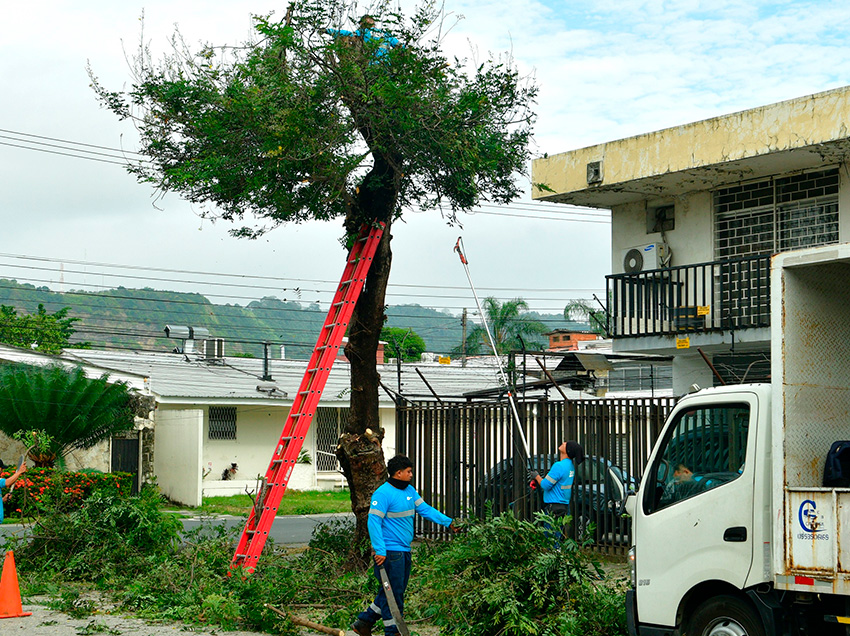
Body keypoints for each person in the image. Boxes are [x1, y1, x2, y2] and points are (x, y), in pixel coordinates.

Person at [352, 454, 457, 636]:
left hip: (404, 551)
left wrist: (449, 522)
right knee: (394, 594)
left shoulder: (409, 491)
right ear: (398, 473)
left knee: (390, 592)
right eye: (408, 472)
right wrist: (380, 550)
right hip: (390, 553)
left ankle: (364, 621)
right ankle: (393, 631)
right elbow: (373, 521)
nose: (411, 475)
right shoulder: (383, 493)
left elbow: (425, 510)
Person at [530, 440, 585, 543]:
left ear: (567, 450)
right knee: (557, 534)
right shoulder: (570, 466)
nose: (563, 442)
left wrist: (536, 476)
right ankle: (557, 555)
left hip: (553, 506)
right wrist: (538, 480)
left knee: (551, 537)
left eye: (566, 444)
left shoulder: (559, 466)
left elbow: (546, 485)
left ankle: (555, 554)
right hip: (563, 505)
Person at [327, 14, 401, 61]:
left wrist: (328, 31)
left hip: (371, 64)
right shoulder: (385, 34)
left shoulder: (363, 32)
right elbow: (399, 45)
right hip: (386, 64)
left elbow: (346, 33)